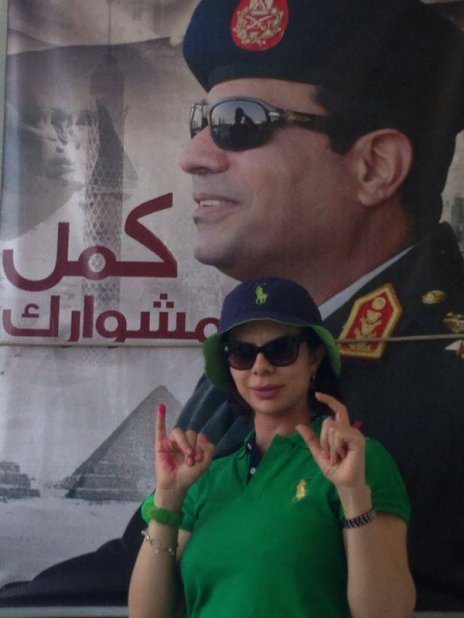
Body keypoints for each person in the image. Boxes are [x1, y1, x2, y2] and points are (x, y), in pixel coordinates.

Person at [1, 0, 463, 611]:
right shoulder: (251, 353)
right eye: (201, 120)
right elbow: (142, 568)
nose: (193, 156)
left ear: (375, 166)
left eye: (238, 122)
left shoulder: (443, 371)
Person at [128, 277, 416, 618]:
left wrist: (354, 494)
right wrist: (168, 497)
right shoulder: (205, 477)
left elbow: (387, 613)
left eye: (281, 350)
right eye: (242, 354)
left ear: (314, 358)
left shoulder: (357, 461)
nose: (260, 367)